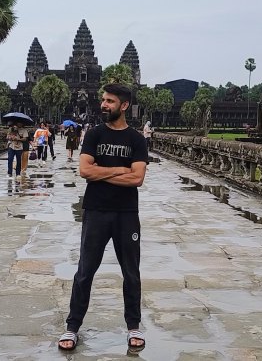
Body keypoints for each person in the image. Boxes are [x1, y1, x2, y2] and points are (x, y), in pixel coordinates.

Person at [58, 83, 148, 353]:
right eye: (103, 100)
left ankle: (133, 326)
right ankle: (72, 327)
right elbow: (85, 171)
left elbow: (138, 178)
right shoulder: (94, 134)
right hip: (96, 210)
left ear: (124, 106)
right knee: (85, 271)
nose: (104, 105)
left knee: (131, 272)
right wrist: (121, 170)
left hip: (126, 213)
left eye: (110, 101)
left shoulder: (136, 139)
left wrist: (103, 171)